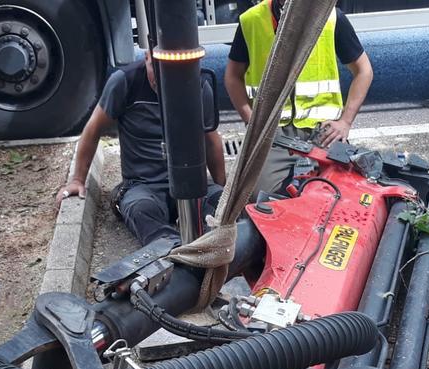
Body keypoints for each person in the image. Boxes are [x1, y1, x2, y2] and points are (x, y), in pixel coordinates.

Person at [58, 51, 227, 246]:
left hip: (189, 181)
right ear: (147, 57)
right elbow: (93, 128)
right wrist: (77, 179)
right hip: (143, 185)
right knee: (141, 211)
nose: (163, 81)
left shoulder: (198, 83)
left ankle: (212, 246)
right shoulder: (126, 81)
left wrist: (222, 187)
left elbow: (211, 140)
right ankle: (173, 251)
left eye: (171, 74)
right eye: (157, 71)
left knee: (222, 206)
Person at [224, 0, 373, 196]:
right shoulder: (251, 20)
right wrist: (251, 120)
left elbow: (364, 71)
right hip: (273, 133)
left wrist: (345, 121)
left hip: (323, 131)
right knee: (258, 197)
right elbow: (233, 76)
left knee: (338, 193)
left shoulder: (330, 17)